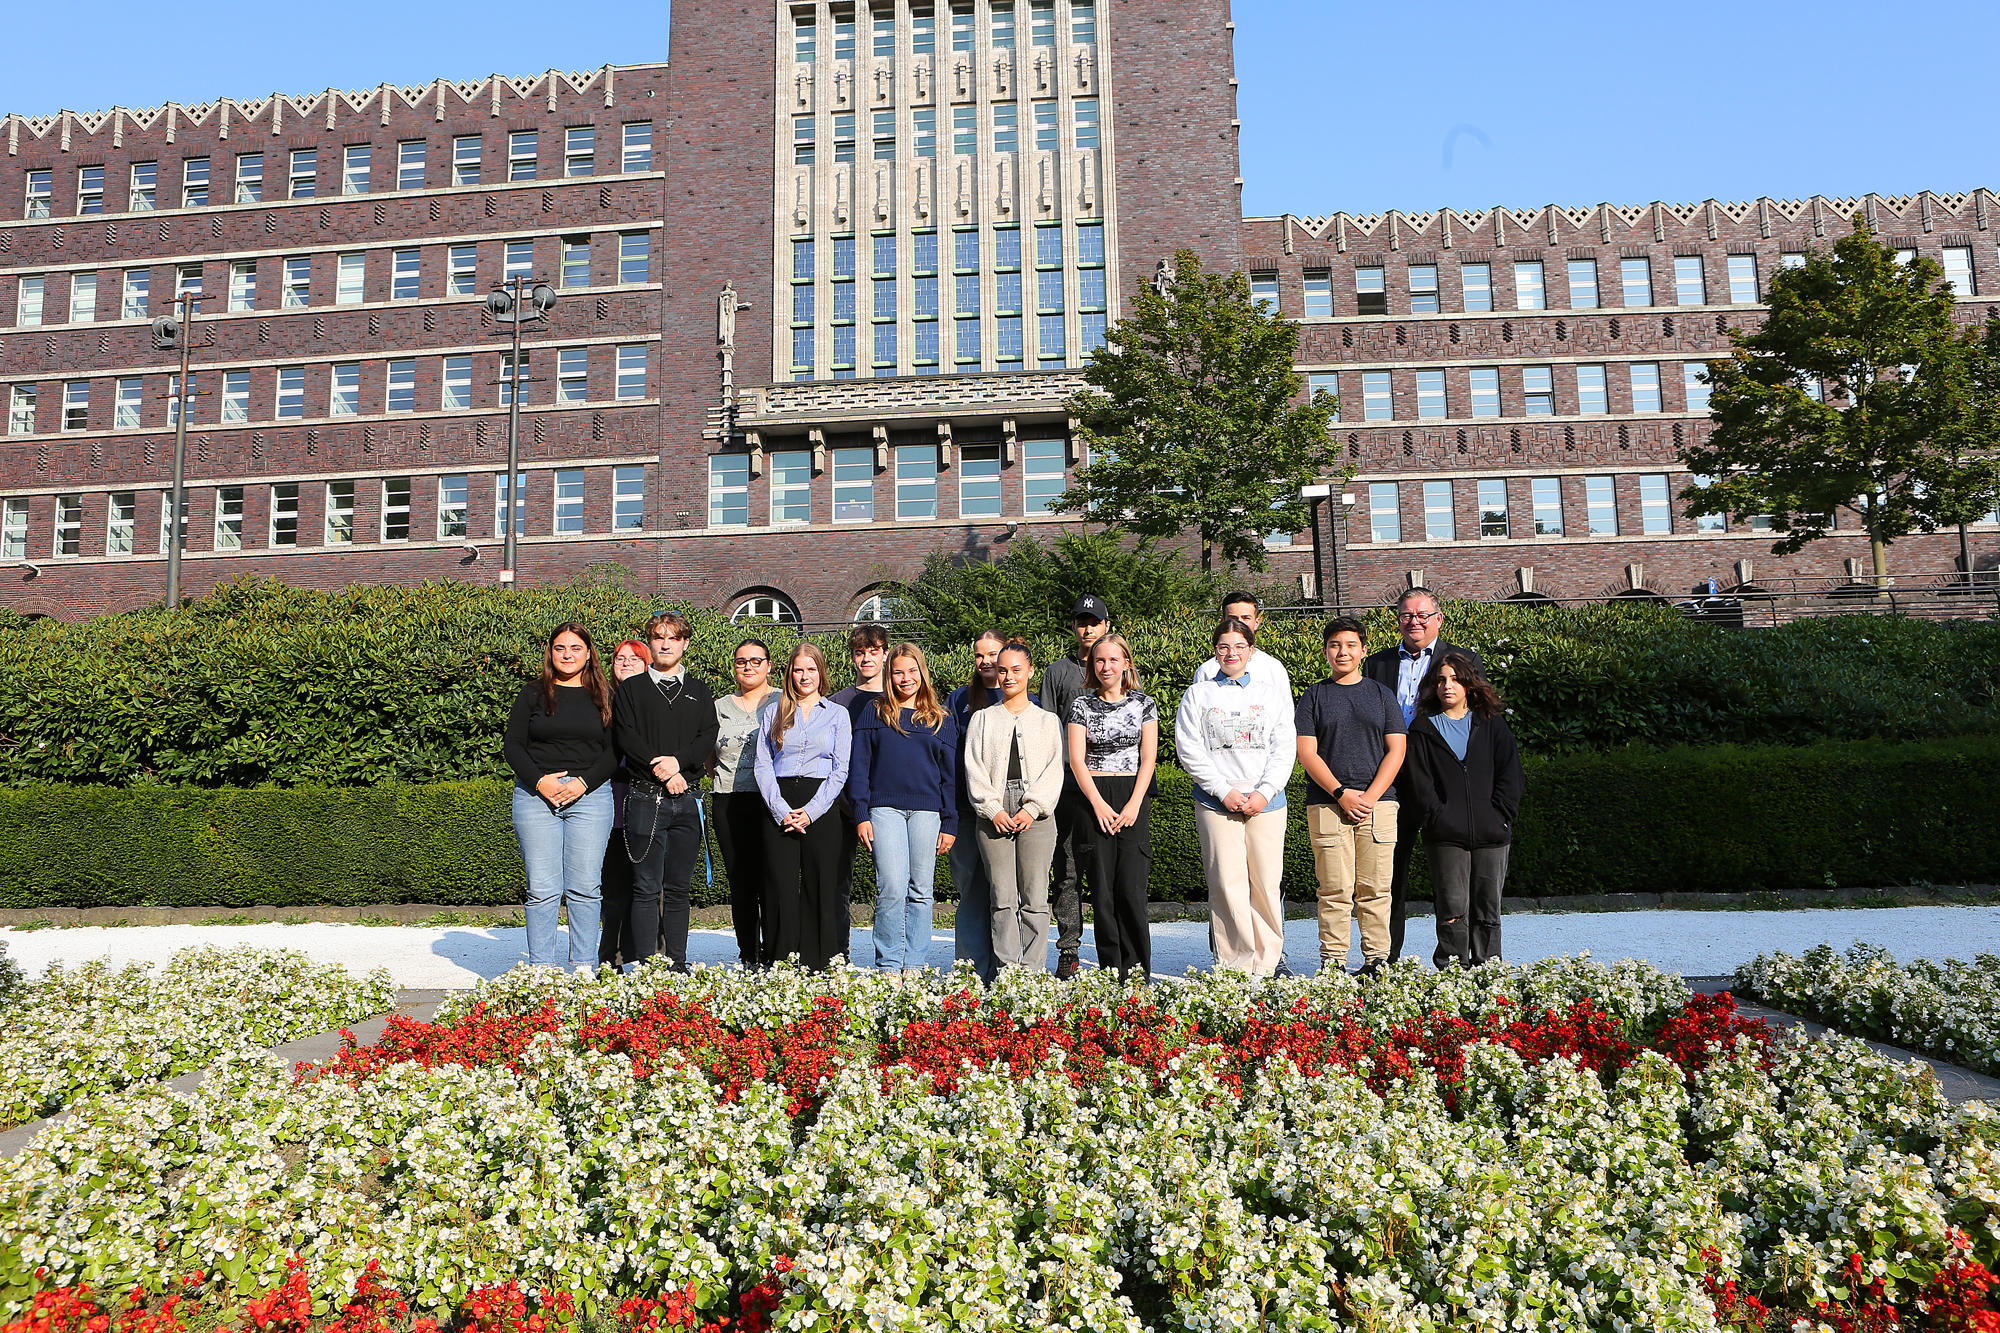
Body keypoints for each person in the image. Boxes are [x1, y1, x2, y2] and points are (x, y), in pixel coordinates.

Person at [1362, 587, 1485, 964]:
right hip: (1389, 781)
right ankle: (1385, 958)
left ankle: (1452, 960)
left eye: (1422, 615)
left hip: (1439, 781)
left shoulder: (1463, 662)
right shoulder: (1376, 665)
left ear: (1438, 619)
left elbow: (1476, 723)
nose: (1414, 621)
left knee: (1449, 878)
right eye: (1406, 615)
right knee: (1387, 876)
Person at [1175, 617, 1296, 978]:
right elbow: (1189, 749)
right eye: (1224, 646)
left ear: (1251, 651)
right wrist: (1224, 791)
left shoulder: (1269, 694)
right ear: (1215, 651)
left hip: (1266, 805)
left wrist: (1264, 791)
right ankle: (1235, 966)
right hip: (1217, 804)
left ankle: (1268, 961)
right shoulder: (1198, 694)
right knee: (1226, 884)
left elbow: (1284, 746)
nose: (1232, 653)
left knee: (1265, 883)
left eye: (1240, 646)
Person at [1295, 617, 1408, 976]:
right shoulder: (1314, 695)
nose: (1341, 652)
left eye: (1349, 645)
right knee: (1334, 889)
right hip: (1328, 804)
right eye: (1334, 645)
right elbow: (1307, 752)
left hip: (1380, 804)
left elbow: (1397, 749)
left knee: (1376, 888)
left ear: (1362, 649)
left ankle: (1377, 960)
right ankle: (1334, 961)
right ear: (1326, 650)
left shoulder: (1380, 694)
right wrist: (1341, 793)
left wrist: (1370, 797)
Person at [504, 623, 618, 970]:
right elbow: (513, 745)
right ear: (550, 652)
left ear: (588, 653)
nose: (567, 655)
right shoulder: (532, 693)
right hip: (536, 798)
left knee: (585, 888)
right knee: (542, 889)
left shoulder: (606, 695)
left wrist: (583, 783)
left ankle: (584, 968)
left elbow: (615, 752)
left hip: (591, 798)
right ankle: (541, 970)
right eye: (559, 648)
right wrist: (540, 782)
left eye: (575, 648)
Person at [612, 612, 718, 971]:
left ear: (685, 643)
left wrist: (679, 764)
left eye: (673, 638)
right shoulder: (632, 689)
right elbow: (626, 735)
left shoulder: (700, 690)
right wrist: (661, 770)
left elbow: (707, 735)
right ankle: (646, 967)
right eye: (658, 637)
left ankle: (677, 964)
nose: (665, 644)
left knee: (678, 889)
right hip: (644, 799)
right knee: (645, 887)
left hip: (688, 801)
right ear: (650, 643)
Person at [1402, 653, 1523, 969]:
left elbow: (1511, 775)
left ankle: (1489, 972)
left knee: (1488, 909)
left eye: (1455, 679)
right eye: (1441, 680)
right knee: (1452, 907)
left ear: (1469, 684)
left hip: (1492, 835)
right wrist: (1437, 818)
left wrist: (1500, 814)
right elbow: (1418, 783)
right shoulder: (1422, 729)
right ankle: (1452, 974)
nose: (1447, 686)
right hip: (1445, 837)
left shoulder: (1492, 725)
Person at [849, 642, 957, 979]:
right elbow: (859, 768)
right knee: (892, 886)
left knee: (921, 889)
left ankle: (914, 963)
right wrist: (861, 814)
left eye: (912, 671)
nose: (905, 678)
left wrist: (950, 822)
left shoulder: (940, 719)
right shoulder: (875, 712)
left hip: (927, 813)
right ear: (889, 675)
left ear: (921, 673)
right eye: (898, 672)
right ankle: (889, 964)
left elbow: (950, 777)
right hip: (884, 811)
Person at [965, 641, 1065, 974]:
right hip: (993, 814)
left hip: (1036, 814)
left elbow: (1054, 770)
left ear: (1030, 672)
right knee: (1002, 898)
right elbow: (974, 768)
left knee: (1035, 898)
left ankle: (1033, 973)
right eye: (1003, 669)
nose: (1008, 676)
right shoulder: (981, 719)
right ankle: (1008, 973)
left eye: (1016, 670)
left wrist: (1032, 808)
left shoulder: (1047, 721)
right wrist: (992, 810)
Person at [1065, 633, 1158, 980]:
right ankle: (1110, 971)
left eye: (1113, 660)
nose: (1106, 666)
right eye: (1099, 660)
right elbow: (1076, 759)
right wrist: (1099, 804)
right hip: (1094, 797)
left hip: (1134, 794)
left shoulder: (1145, 704)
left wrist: (1134, 803)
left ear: (1126, 664)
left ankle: (1137, 974)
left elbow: (1149, 757)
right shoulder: (1080, 706)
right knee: (1101, 890)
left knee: (1131, 889)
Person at [756, 643, 853, 971]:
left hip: (821, 805)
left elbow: (840, 769)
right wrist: (781, 809)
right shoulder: (774, 711)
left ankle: (818, 962)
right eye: (798, 669)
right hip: (780, 802)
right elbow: (763, 764)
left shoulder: (838, 714)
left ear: (820, 672)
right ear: (789, 673)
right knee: (779, 885)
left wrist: (811, 811)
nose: (804, 676)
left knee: (821, 883)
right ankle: (779, 962)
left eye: (811, 669)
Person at [1040, 594, 1110, 980]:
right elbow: (1048, 730)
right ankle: (1069, 949)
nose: (1087, 628)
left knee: (1105, 870)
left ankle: (1110, 947)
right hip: (1066, 787)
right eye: (1081, 622)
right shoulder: (1058, 673)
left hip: (1108, 784)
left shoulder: (1114, 668)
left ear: (1106, 626)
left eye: (1094, 622)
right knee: (1066, 870)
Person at [945, 630, 1009, 979]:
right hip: (968, 810)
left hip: (1010, 811)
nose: (986, 661)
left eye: (993, 654)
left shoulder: (1022, 699)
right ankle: (971, 971)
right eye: (979, 655)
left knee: (1005, 889)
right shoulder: (958, 701)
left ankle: (1006, 969)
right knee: (971, 889)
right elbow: (948, 757)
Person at [710, 637, 778, 967]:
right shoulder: (719, 706)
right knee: (741, 880)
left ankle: (777, 952)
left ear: (768, 665)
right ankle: (749, 953)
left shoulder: (783, 700)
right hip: (730, 800)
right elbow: (711, 757)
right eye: (741, 661)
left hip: (772, 802)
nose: (748, 667)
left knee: (773, 877)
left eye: (755, 660)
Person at [830, 624, 891, 928]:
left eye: (873, 651)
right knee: (837, 883)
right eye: (859, 652)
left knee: (893, 885)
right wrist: (848, 804)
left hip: (887, 804)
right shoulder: (836, 703)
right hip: (842, 805)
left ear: (885, 654)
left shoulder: (899, 699)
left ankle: (893, 960)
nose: (866, 658)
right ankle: (838, 953)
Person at [598, 639, 652, 968]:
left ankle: (649, 956)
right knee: (615, 887)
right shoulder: (601, 701)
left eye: (635, 658)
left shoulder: (655, 700)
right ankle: (611, 958)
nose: (627, 662)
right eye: (620, 658)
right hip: (612, 804)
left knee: (649, 886)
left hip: (649, 803)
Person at [1191, 591, 1294, 697]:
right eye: (1233, 618)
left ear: (1257, 622)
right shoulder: (1206, 671)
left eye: (1246, 618)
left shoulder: (1273, 668)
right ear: (1223, 621)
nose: (1239, 623)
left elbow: (1286, 712)